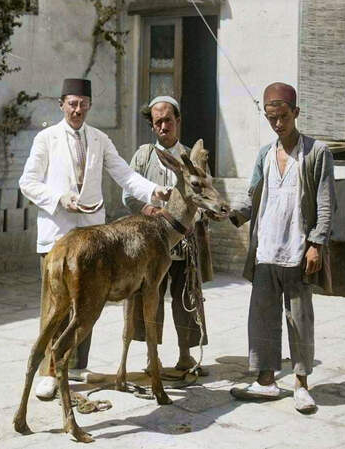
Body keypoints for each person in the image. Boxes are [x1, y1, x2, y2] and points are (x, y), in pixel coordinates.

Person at [19, 78, 170, 400]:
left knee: (89, 302)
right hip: (57, 235)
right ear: (62, 105)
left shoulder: (99, 139)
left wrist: (152, 191)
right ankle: (48, 371)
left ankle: (73, 366)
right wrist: (60, 198)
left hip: (92, 238)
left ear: (89, 106)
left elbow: (124, 174)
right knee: (55, 306)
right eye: (72, 104)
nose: (77, 110)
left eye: (83, 105)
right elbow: (27, 182)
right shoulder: (46, 139)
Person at [228, 82, 335, 413]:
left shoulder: (317, 153)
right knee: (261, 318)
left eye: (283, 117)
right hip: (265, 252)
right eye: (271, 118)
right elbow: (253, 196)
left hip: (298, 252)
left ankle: (301, 384)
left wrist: (316, 243)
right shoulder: (264, 154)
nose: (278, 124)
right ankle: (265, 382)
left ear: (296, 113)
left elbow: (327, 203)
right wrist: (232, 213)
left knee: (299, 318)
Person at [123, 95, 213, 377]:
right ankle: (153, 358)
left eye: (168, 120)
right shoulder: (143, 156)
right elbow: (128, 193)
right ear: (152, 125)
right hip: (150, 245)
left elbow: (204, 195)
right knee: (150, 297)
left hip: (184, 243)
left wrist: (193, 220)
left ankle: (186, 356)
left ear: (177, 121)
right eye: (157, 121)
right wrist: (148, 207)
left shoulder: (192, 157)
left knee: (186, 297)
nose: (163, 126)